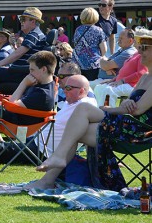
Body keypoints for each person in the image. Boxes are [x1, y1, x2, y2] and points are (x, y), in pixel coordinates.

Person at [25, 29, 152, 192]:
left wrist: (112, 109)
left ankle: (58, 157)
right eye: (139, 47)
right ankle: (47, 180)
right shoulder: (144, 78)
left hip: (140, 133)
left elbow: (138, 109)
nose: (139, 51)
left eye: (145, 47)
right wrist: (118, 107)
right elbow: (128, 107)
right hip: (124, 127)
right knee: (78, 131)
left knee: (84, 108)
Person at [0, 7, 47, 97]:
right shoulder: (37, 34)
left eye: (24, 19)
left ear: (33, 21)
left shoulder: (34, 34)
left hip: (21, 73)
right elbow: (21, 54)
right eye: (21, 19)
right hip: (21, 71)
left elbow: (18, 54)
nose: (21, 22)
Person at [72, 7, 107, 81]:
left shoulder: (77, 30)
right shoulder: (98, 30)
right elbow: (104, 50)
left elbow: (75, 45)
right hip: (93, 64)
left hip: (78, 63)